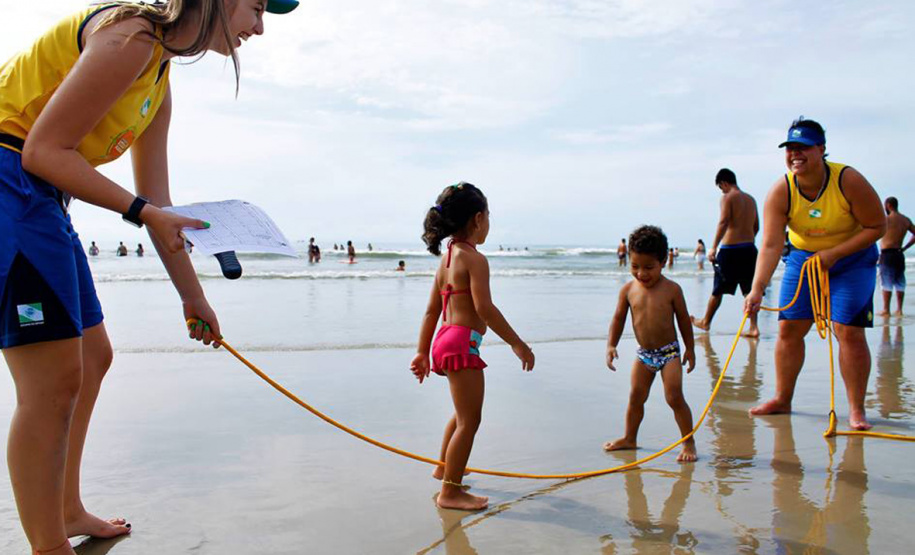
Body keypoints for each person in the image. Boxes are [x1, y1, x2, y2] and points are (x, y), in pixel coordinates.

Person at [0, 1, 300, 553]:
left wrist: (194, 296)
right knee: (51, 382)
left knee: (94, 358)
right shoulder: (131, 36)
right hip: (10, 180)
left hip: (40, 195)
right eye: (257, 8)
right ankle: (48, 547)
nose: (259, 27)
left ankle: (65, 510)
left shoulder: (157, 78)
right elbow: (45, 150)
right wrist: (142, 212)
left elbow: (157, 205)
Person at [744, 117, 885, 431]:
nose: (796, 154)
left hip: (852, 260)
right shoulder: (782, 190)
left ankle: (856, 410)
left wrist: (834, 254)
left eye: (804, 148)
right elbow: (769, 244)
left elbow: (878, 227)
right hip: (803, 261)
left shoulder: (848, 180)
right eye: (790, 148)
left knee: (847, 330)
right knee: (789, 329)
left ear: (821, 149)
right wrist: (757, 288)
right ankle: (782, 399)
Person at [410, 182, 535, 511]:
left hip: (444, 339)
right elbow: (485, 309)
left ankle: (444, 467)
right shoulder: (474, 259)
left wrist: (422, 352)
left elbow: (431, 310)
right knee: (470, 421)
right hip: (463, 343)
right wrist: (517, 344)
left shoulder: (448, 258)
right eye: (488, 216)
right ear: (478, 219)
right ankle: (450, 492)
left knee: (461, 414)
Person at [604, 225, 697, 462]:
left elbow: (684, 320)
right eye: (634, 266)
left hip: (669, 353)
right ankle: (630, 438)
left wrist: (690, 348)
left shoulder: (672, 290)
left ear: (663, 261)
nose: (641, 274)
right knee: (636, 396)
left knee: (674, 396)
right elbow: (618, 318)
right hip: (644, 354)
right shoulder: (628, 289)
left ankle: (688, 442)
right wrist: (611, 345)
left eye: (648, 268)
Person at [691, 168, 760, 337]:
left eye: (721, 187)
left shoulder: (727, 197)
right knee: (749, 290)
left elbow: (723, 222)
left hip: (730, 250)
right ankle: (753, 327)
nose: (721, 191)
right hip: (749, 249)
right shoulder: (751, 199)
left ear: (724, 183)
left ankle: (706, 322)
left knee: (718, 289)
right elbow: (756, 226)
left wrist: (713, 246)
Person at [878, 197, 915, 315]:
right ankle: (899, 309)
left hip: (887, 254)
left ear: (888, 205)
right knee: (900, 281)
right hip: (899, 253)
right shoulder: (905, 220)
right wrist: (906, 247)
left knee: (886, 282)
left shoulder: (885, 219)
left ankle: (886, 309)